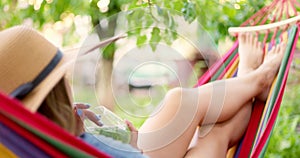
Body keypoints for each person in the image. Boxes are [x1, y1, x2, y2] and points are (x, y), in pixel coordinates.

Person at [0, 26, 285, 158]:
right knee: (214, 134)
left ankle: (251, 79)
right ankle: (253, 79)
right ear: (53, 96)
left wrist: (130, 145)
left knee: (178, 101)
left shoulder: (37, 143)